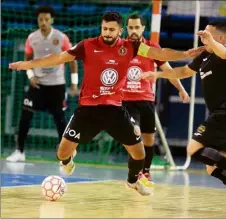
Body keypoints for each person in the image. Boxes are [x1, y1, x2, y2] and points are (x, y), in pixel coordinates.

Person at [9, 12, 204, 196]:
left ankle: (132, 181)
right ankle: (69, 159)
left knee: (139, 154)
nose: (107, 33)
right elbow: (58, 58)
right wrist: (27, 65)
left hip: (114, 110)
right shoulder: (87, 45)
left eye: (111, 30)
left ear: (120, 31)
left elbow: (159, 53)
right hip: (87, 110)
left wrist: (185, 54)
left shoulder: (131, 46)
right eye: (104, 29)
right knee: (61, 153)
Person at [142, 20, 226, 213]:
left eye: (209, 35)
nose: (204, 38)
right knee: (213, 168)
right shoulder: (204, 56)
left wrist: (212, 41)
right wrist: (158, 75)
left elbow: (223, 51)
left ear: (222, 38)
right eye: (203, 35)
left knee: (193, 148)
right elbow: (183, 71)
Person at [6, 5, 78, 162]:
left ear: (52, 20)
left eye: (46, 19)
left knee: (60, 119)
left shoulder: (61, 37)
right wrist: (30, 75)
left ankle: (65, 156)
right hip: (37, 85)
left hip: (56, 86)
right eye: (40, 19)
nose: (43, 22)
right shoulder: (32, 38)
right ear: (37, 21)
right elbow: (27, 59)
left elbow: (73, 60)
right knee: (25, 116)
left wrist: (74, 83)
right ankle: (19, 151)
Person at [123, 14, 190, 181]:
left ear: (143, 28)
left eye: (137, 27)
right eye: (130, 27)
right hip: (125, 101)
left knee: (149, 139)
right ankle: (135, 171)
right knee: (134, 132)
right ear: (126, 28)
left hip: (145, 100)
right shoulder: (120, 47)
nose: (133, 31)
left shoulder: (150, 48)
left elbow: (168, 70)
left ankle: (145, 171)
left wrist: (181, 88)